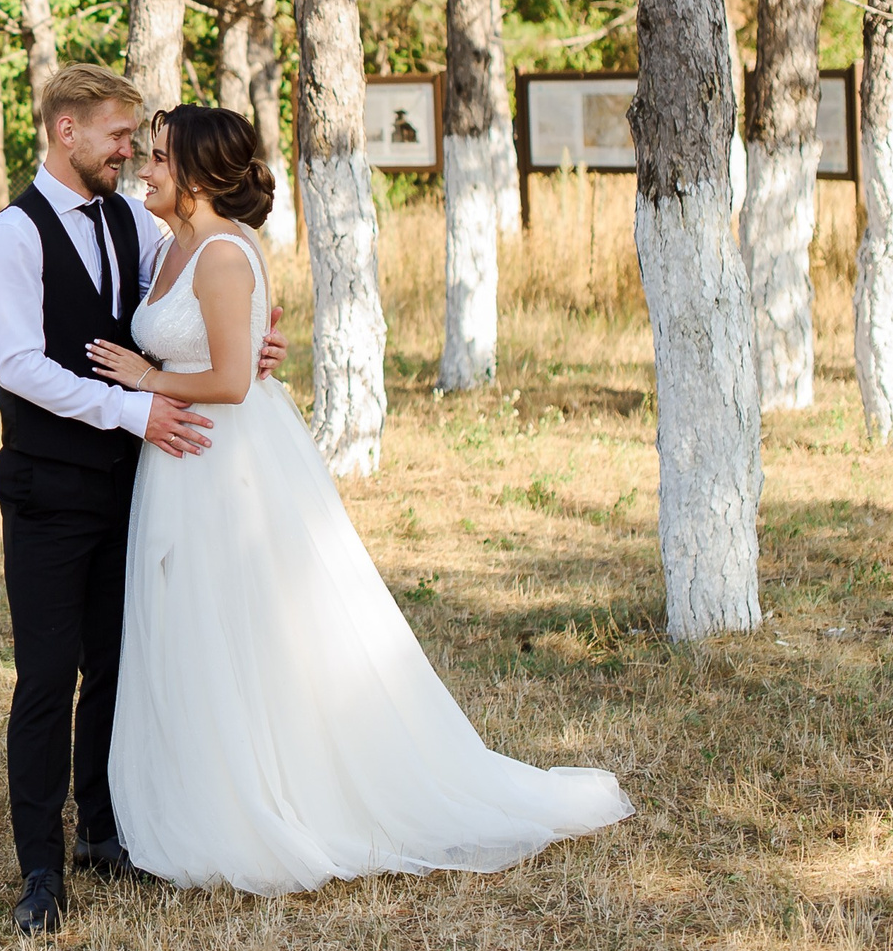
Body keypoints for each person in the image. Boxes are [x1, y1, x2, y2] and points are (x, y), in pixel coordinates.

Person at [89, 104, 634, 897]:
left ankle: (276, 796)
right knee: (196, 627)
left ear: (200, 175)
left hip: (228, 461)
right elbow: (222, 343)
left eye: (163, 157)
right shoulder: (174, 244)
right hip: (181, 458)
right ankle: (204, 786)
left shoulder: (222, 257)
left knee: (243, 626)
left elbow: (235, 380)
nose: (147, 166)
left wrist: (147, 380)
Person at [0, 66, 286, 937]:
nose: (131, 152)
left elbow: (185, 299)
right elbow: (22, 367)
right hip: (49, 486)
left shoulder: (132, 220)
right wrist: (139, 406)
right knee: (47, 677)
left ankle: (104, 832)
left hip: (139, 484)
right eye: (119, 136)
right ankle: (40, 866)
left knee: (119, 665)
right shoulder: (12, 236)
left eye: (140, 142)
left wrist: (247, 343)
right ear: (65, 131)